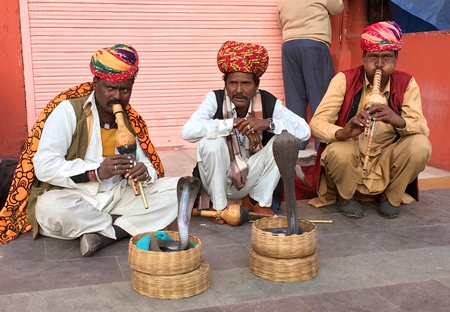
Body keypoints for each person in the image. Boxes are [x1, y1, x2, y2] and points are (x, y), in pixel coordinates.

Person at [0, 43, 180, 255]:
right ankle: (124, 226)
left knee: (180, 188)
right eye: (110, 88)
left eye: (125, 89)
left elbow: (147, 165)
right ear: (96, 83)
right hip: (75, 195)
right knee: (49, 208)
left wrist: (144, 171)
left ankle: (102, 234)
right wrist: (96, 172)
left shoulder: (131, 120)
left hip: (118, 195)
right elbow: (44, 167)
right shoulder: (68, 111)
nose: (118, 97)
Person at [309, 21, 431, 219]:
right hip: (352, 156)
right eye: (374, 56)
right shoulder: (344, 79)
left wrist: (397, 119)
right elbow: (316, 124)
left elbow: (422, 128)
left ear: (396, 58)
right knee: (340, 150)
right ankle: (345, 197)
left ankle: (389, 197)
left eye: (387, 58)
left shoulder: (406, 83)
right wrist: (343, 132)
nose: (380, 64)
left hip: (386, 157)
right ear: (364, 56)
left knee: (420, 145)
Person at [182, 40, 311, 224]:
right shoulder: (214, 99)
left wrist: (267, 124)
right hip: (217, 178)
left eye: (246, 84)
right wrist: (230, 124)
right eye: (233, 83)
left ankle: (258, 201)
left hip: (252, 178)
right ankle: (219, 207)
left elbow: (304, 130)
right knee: (211, 142)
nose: (239, 90)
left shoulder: (266, 101)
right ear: (225, 83)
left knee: (286, 141)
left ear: (256, 85)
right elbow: (188, 131)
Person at [277, 0, 344, 150]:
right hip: (314, 43)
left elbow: (280, 21)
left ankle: (297, 141)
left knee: (294, 94)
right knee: (321, 94)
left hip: (289, 45)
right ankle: (322, 142)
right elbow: (338, 8)